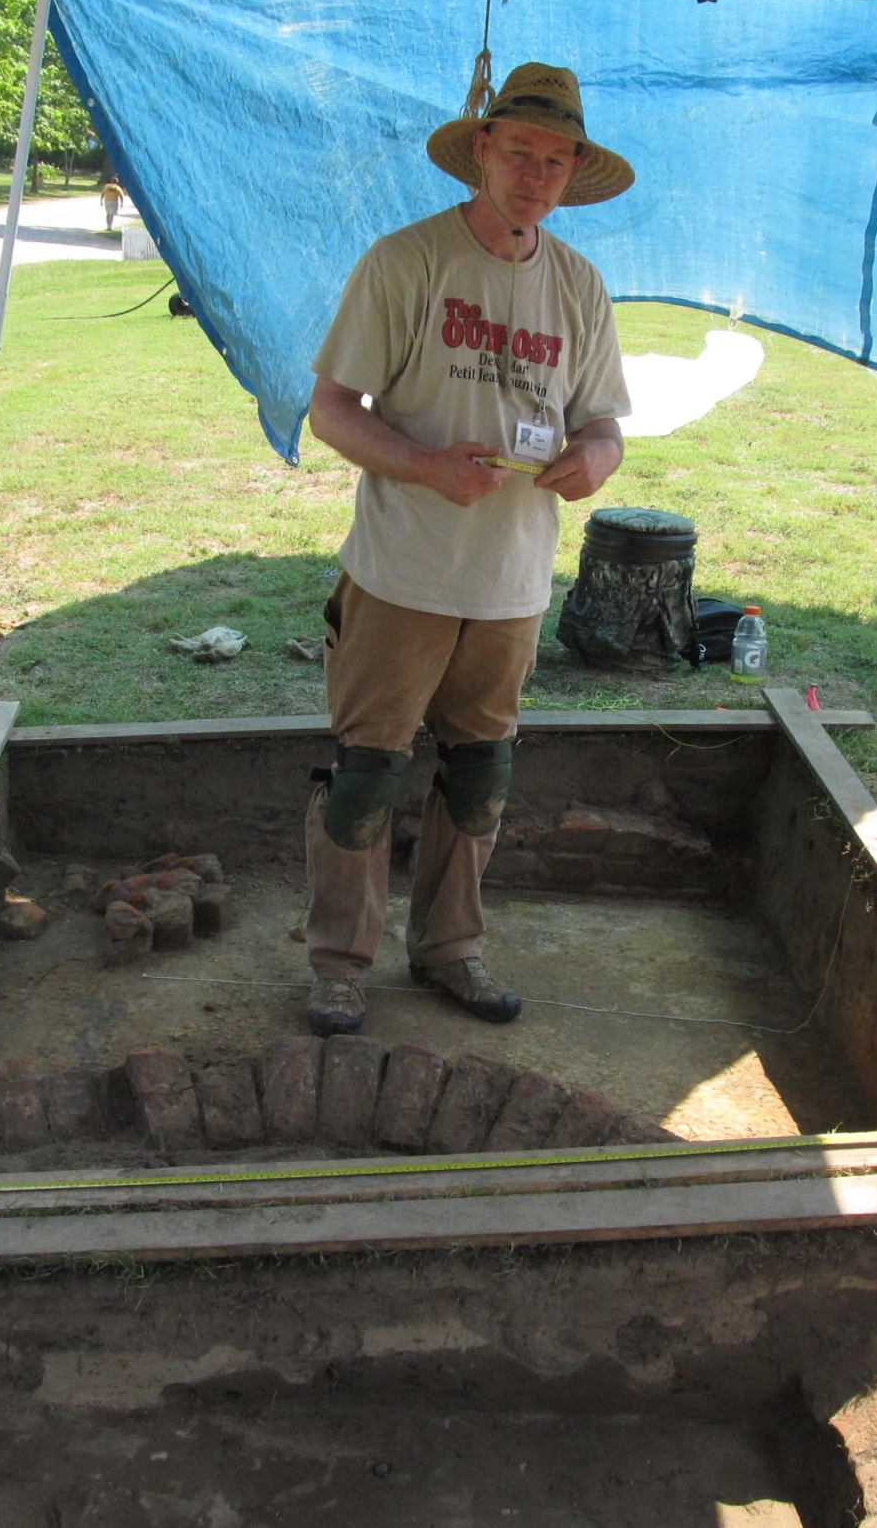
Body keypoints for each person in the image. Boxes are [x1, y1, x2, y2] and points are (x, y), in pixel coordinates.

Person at [300, 62, 633, 1037]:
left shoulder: (577, 286)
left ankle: (450, 949)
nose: (535, 173)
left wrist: (594, 462)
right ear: (479, 150)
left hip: (511, 582)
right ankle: (336, 963)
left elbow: (604, 425)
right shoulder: (404, 264)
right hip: (401, 571)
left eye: (554, 158)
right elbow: (330, 411)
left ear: (573, 171)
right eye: (518, 151)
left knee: (479, 772)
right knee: (367, 770)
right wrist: (421, 466)